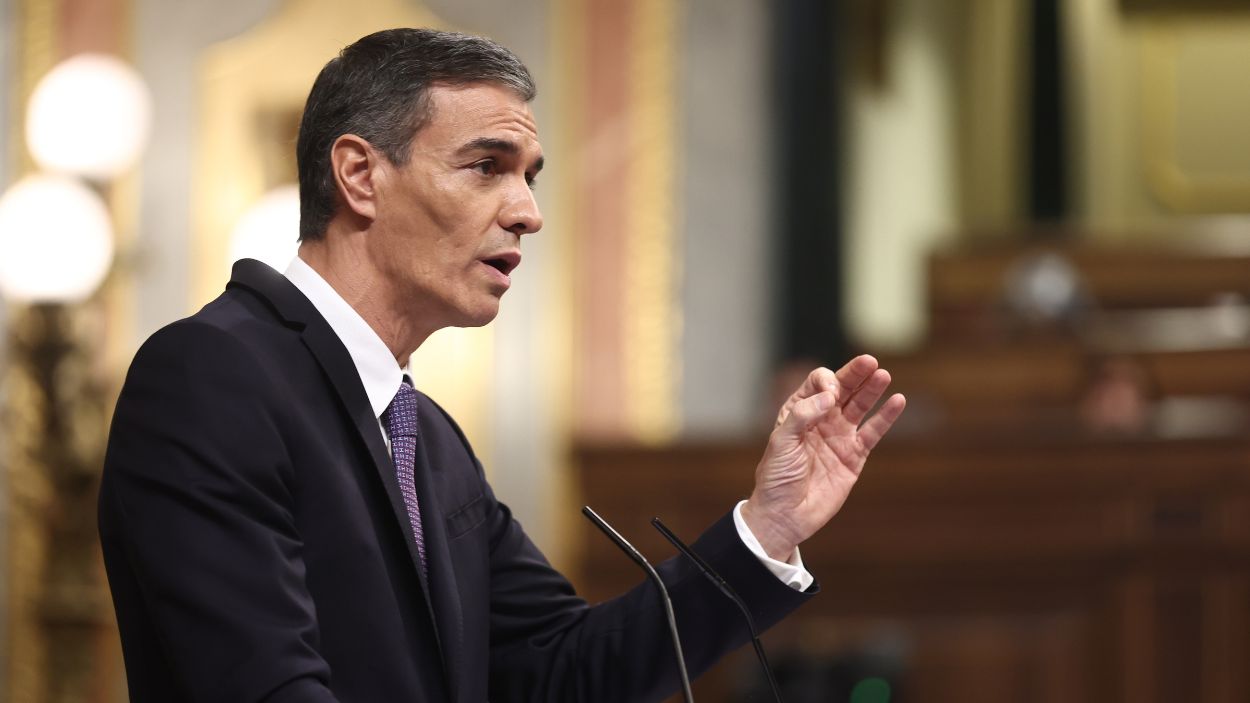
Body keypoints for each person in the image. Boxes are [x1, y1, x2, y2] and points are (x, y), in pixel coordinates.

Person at [98, 28, 906, 703]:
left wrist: (766, 528)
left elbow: (568, 669)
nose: (528, 211)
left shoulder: (428, 437)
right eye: (487, 166)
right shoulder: (210, 375)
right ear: (359, 174)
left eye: (529, 176)